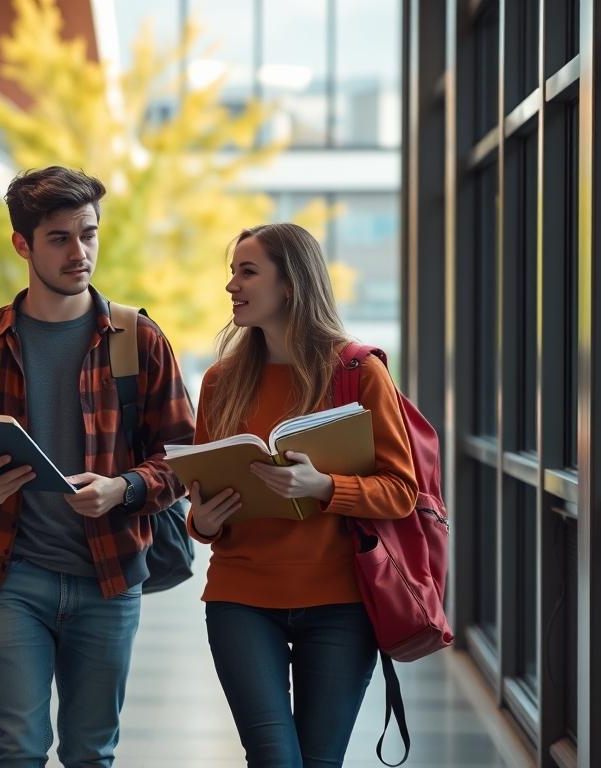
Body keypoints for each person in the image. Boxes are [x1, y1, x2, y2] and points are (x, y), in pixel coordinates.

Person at [0, 166, 195, 767]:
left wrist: (123, 489)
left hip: (110, 578)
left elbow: (183, 458)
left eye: (88, 234)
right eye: (60, 238)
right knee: (16, 750)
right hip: (12, 575)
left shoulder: (137, 339)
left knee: (92, 753)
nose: (80, 252)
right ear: (23, 244)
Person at [186, 222, 417, 767]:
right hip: (241, 598)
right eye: (232, 272)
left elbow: (402, 490)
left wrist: (324, 487)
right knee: (273, 759)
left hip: (341, 603)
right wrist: (205, 521)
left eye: (247, 272)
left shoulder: (359, 372)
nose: (232, 287)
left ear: (289, 284)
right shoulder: (221, 380)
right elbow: (198, 503)